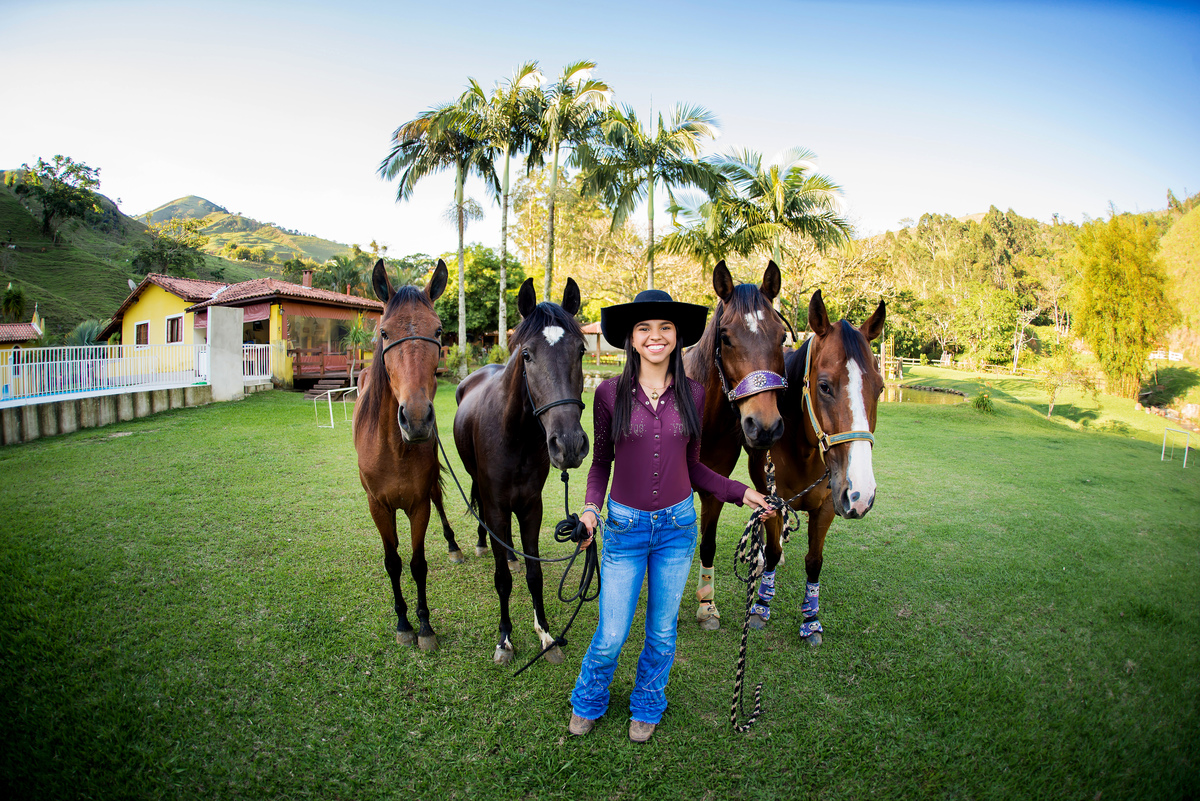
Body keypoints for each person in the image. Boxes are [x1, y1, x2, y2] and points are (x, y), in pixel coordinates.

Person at [568, 289, 775, 743]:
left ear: (678, 337)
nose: (655, 336)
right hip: (623, 528)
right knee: (611, 632)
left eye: (664, 328)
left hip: (677, 529)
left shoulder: (695, 394)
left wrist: (743, 493)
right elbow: (602, 461)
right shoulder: (608, 394)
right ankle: (588, 698)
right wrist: (589, 510)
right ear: (631, 338)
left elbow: (695, 466)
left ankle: (647, 703)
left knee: (662, 634)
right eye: (644, 328)